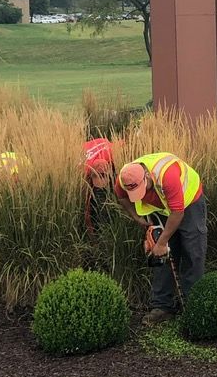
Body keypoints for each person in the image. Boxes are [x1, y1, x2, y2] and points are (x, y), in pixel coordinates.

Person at [115, 152, 206, 325]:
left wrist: (162, 242)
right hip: (161, 206)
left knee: (193, 252)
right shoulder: (124, 178)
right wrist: (137, 218)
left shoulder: (168, 175)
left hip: (189, 201)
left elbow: (177, 212)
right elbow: (121, 197)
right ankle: (162, 306)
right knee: (160, 257)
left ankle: (194, 306)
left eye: (141, 189)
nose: (138, 195)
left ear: (148, 176)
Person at [82, 137, 114, 232]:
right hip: (86, 149)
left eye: (103, 176)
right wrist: (92, 236)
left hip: (102, 144)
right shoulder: (84, 169)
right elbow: (86, 209)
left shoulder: (113, 153)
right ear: (90, 176)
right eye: (97, 178)